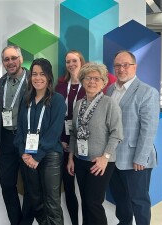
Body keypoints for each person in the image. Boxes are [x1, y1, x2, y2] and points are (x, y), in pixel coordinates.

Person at [67, 62, 123, 225]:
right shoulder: (78, 104)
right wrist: (71, 157)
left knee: (93, 203)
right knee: (85, 202)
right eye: (88, 78)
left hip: (100, 162)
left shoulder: (109, 103)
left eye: (97, 78)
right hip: (80, 160)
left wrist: (105, 157)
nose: (92, 82)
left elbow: (117, 133)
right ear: (82, 80)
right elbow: (74, 133)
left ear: (104, 82)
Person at [108, 50, 160, 225]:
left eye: (125, 65)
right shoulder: (110, 90)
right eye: (117, 65)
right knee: (120, 200)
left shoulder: (147, 92)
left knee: (139, 201)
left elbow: (149, 129)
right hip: (113, 158)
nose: (121, 69)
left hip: (136, 160)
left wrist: (141, 157)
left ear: (134, 66)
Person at [13, 58, 66, 225]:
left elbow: (54, 131)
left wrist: (37, 155)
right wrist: (24, 152)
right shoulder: (26, 99)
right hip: (28, 156)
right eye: (34, 74)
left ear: (49, 77)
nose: (37, 78)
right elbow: (20, 130)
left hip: (49, 156)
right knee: (36, 201)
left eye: (42, 74)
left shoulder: (57, 99)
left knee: (52, 202)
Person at [0, 45, 34, 225]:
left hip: (28, 140)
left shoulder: (34, 81)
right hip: (6, 139)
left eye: (13, 58)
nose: (10, 62)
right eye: (6, 59)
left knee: (30, 186)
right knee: (7, 185)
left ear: (20, 58)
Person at [54, 50, 86, 225]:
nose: (71, 64)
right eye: (68, 61)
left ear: (81, 62)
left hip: (82, 146)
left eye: (74, 60)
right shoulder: (60, 87)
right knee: (68, 189)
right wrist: (60, 139)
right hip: (62, 144)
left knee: (87, 192)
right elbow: (55, 115)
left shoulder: (89, 85)